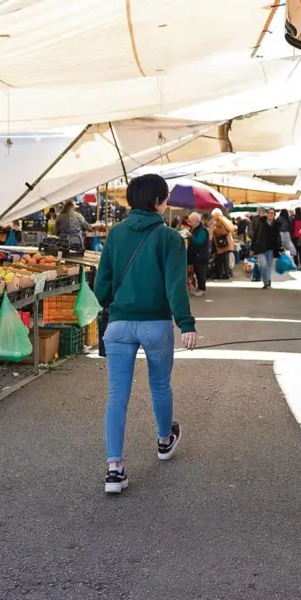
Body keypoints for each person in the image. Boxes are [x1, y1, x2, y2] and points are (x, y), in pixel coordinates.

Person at [94, 174, 196, 495]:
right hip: (156, 324)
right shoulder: (171, 239)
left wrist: (113, 304)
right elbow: (175, 286)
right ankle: (164, 441)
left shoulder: (115, 234)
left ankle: (114, 469)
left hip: (119, 325)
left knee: (117, 395)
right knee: (160, 385)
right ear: (159, 202)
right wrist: (186, 323)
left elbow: (102, 285)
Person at [251, 207, 278, 289]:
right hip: (261, 247)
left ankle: (266, 282)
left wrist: (279, 248)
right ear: (267, 214)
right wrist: (252, 248)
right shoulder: (261, 222)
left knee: (269, 266)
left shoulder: (276, 224)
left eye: (272, 213)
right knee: (263, 265)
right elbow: (255, 235)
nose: (270, 214)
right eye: (269, 212)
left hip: (271, 248)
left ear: (274, 215)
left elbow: (278, 237)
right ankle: (266, 280)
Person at [185, 212, 211, 297]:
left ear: (195, 221)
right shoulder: (194, 229)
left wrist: (190, 236)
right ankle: (199, 288)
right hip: (196, 255)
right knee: (197, 272)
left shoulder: (202, 230)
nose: (189, 223)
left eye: (191, 221)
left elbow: (199, 241)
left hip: (201, 256)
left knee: (201, 273)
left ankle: (202, 289)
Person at [209, 209, 236, 279]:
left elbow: (227, 230)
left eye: (213, 216)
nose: (213, 217)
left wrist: (216, 229)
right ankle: (222, 273)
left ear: (217, 215)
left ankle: (226, 274)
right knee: (222, 260)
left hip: (224, 243)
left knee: (225, 260)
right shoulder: (221, 220)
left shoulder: (221, 219)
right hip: (222, 244)